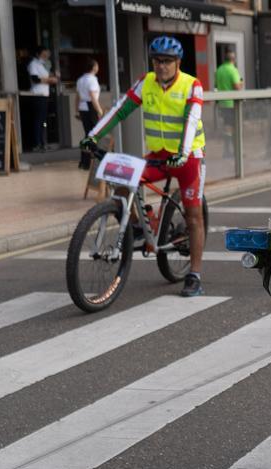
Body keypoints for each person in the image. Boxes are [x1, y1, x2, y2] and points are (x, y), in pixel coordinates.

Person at [83, 36, 208, 298]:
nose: (160, 66)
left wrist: (183, 153)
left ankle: (194, 274)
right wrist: (92, 135)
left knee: (194, 216)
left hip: (188, 158)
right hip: (159, 155)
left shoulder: (191, 85)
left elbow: (191, 119)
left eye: (166, 61)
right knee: (123, 183)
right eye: (156, 61)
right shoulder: (146, 83)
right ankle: (139, 224)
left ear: (177, 62)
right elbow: (119, 110)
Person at [27, 47, 58, 152]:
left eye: (47, 55)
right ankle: (37, 143)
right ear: (38, 54)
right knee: (38, 120)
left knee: (44, 120)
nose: (46, 57)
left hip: (45, 95)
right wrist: (49, 79)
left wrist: (53, 77)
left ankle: (44, 141)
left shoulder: (43, 65)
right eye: (44, 55)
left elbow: (47, 77)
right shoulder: (33, 64)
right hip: (37, 95)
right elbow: (35, 79)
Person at [215, 48, 243, 156]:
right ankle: (234, 152)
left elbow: (216, 85)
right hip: (232, 104)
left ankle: (227, 150)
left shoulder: (219, 69)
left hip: (222, 103)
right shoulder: (232, 69)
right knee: (233, 128)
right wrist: (241, 82)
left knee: (227, 127)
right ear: (233, 59)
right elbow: (237, 86)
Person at [76, 59, 103, 169]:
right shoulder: (92, 80)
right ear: (94, 67)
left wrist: (76, 110)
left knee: (88, 134)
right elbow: (93, 97)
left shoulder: (80, 79)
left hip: (83, 108)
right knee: (93, 134)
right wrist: (99, 110)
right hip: (90, 107)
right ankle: (90, 161)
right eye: (97, 65)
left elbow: (77, 96)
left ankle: (84, 161)